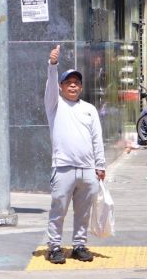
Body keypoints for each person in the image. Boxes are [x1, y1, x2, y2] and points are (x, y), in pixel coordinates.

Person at [44, 44, 106, 264]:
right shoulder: (54, 105)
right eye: (68, 83)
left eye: (76, 83)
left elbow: (97, 138)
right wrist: (53, 65)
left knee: (83, 213)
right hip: (63, 168)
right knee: (58, 210)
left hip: (87, 170)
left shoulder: (89, 109)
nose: (73, 86)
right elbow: (50, 85)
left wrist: (100, 166)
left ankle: (79, 245)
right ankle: (54, 247)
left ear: (81, 87)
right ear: (61, 87)